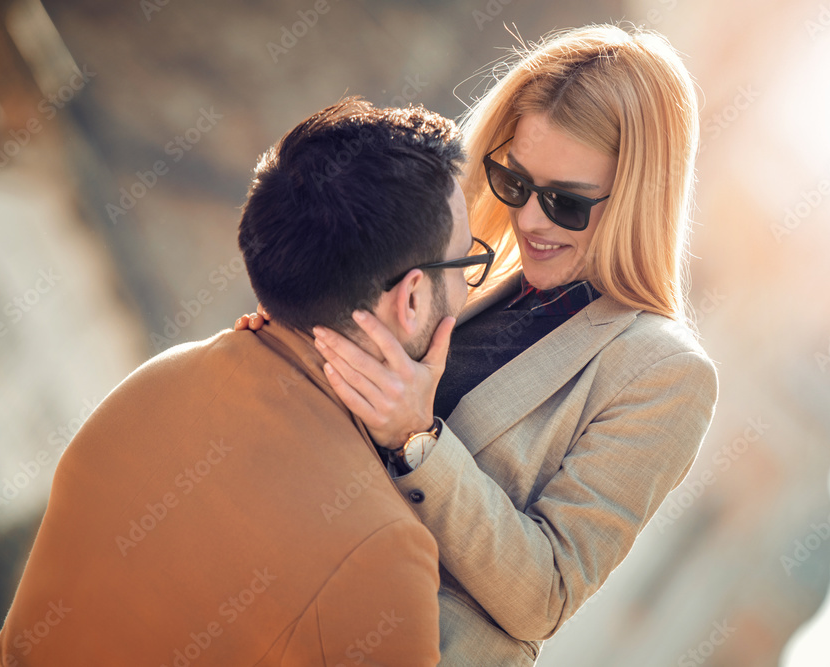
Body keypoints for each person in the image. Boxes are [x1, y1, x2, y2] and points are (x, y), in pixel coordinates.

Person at [235, 24, 719, 664]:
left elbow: (543, 595)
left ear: (638, 197)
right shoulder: (475, 277)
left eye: (566, 203)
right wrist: (298, 346)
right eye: (516, 183)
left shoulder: (665, 372)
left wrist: (419, 442)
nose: (530, 220)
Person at [0, 98, 483, 666]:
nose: (469, 291)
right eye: (466, 264)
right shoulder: (382, 550)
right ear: (413, 298)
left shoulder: (151, 385)